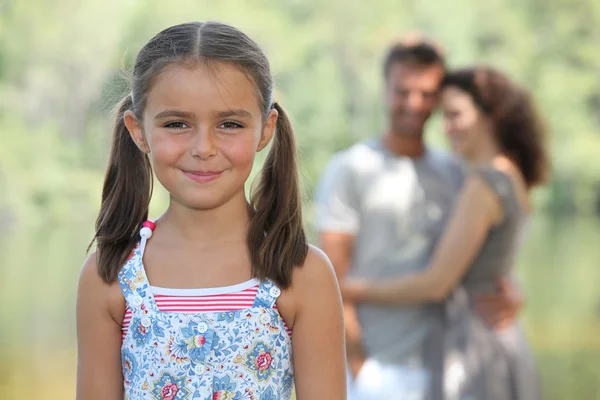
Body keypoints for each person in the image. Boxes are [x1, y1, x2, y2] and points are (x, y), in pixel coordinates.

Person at [76, 21, 346, 400]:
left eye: (229, 124)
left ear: (266, 129)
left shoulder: (300, 273)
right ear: (138, 130)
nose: (203, 147)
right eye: (177, 124)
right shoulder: (110, 275)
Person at [315, 36, 525, 400]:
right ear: (385, 89)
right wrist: (357, 363)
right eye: (403, 91)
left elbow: (474, 258)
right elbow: (333, 278)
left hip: (447, 367)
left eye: (427, 94)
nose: (414, 104)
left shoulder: (455, 172)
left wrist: (512, 292)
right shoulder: (350, 168)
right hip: (380, 369)